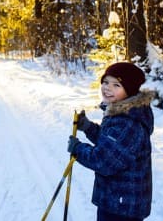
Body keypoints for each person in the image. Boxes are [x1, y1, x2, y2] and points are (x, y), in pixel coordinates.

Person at [67, 62, 154, 221]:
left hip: (122, 207)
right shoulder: (123, 113)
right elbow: (113, 145)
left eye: (116, 85)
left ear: (130, 90)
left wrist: (78, 149)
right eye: (106, 82)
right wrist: (88, 128)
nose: (108, 88)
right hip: (120, 200)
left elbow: (104, 161)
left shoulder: (127, 122)